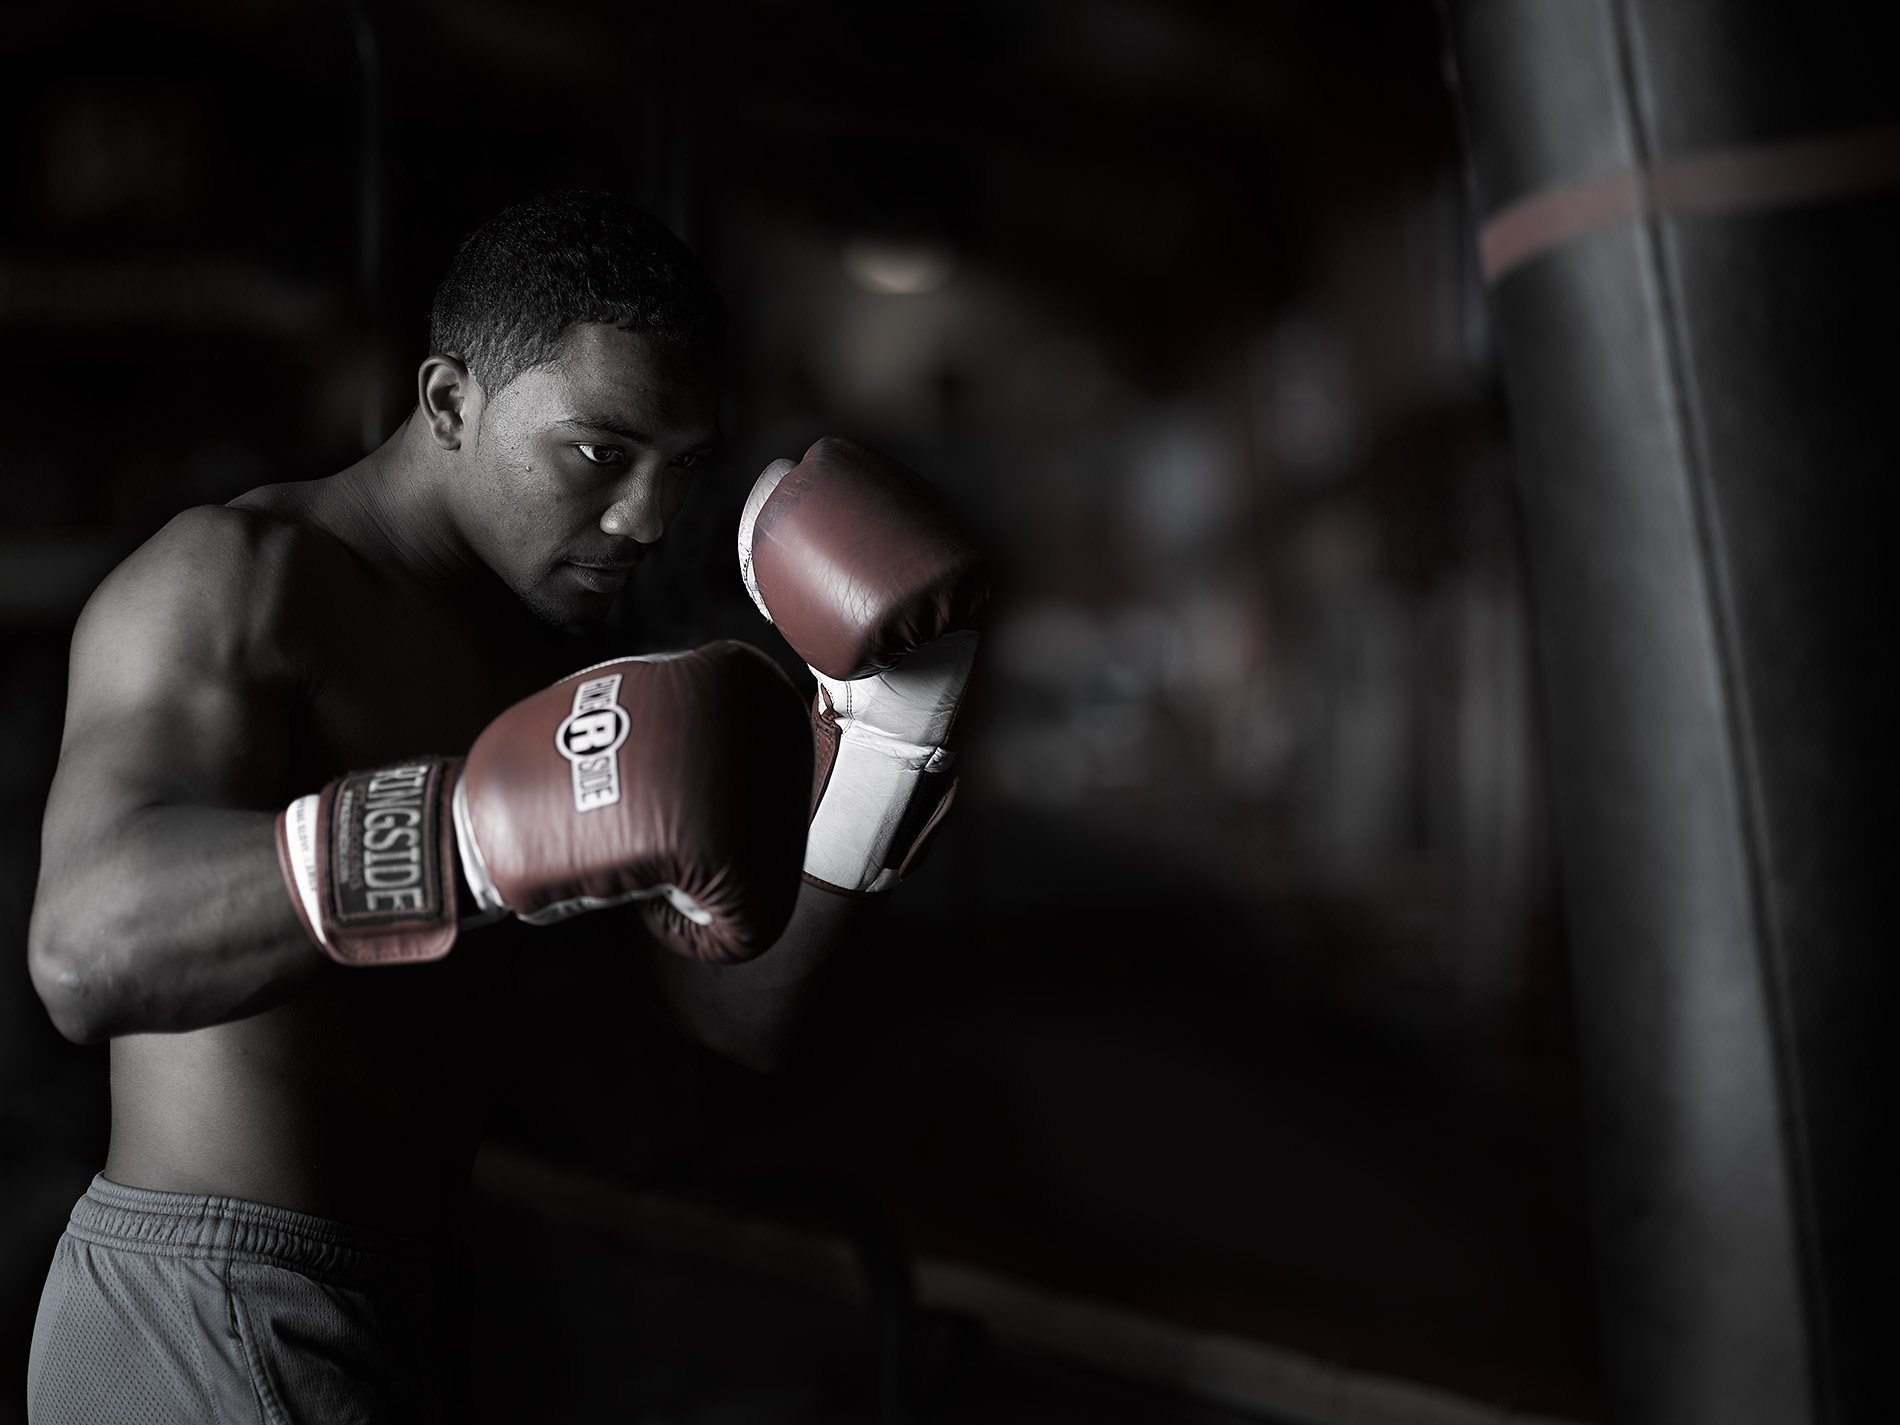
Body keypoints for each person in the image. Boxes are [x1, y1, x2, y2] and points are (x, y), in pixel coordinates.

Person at [22, 191, 982, 1424]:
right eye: (599, 452)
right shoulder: (240, 580)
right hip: (213, 1293)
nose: (644, 517)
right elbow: (82, 951)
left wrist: (888, 744)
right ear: (448, 402)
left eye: (680, 467)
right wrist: (465, 835)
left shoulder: (550, 667)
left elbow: (726, 1020)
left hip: (413, 1297)